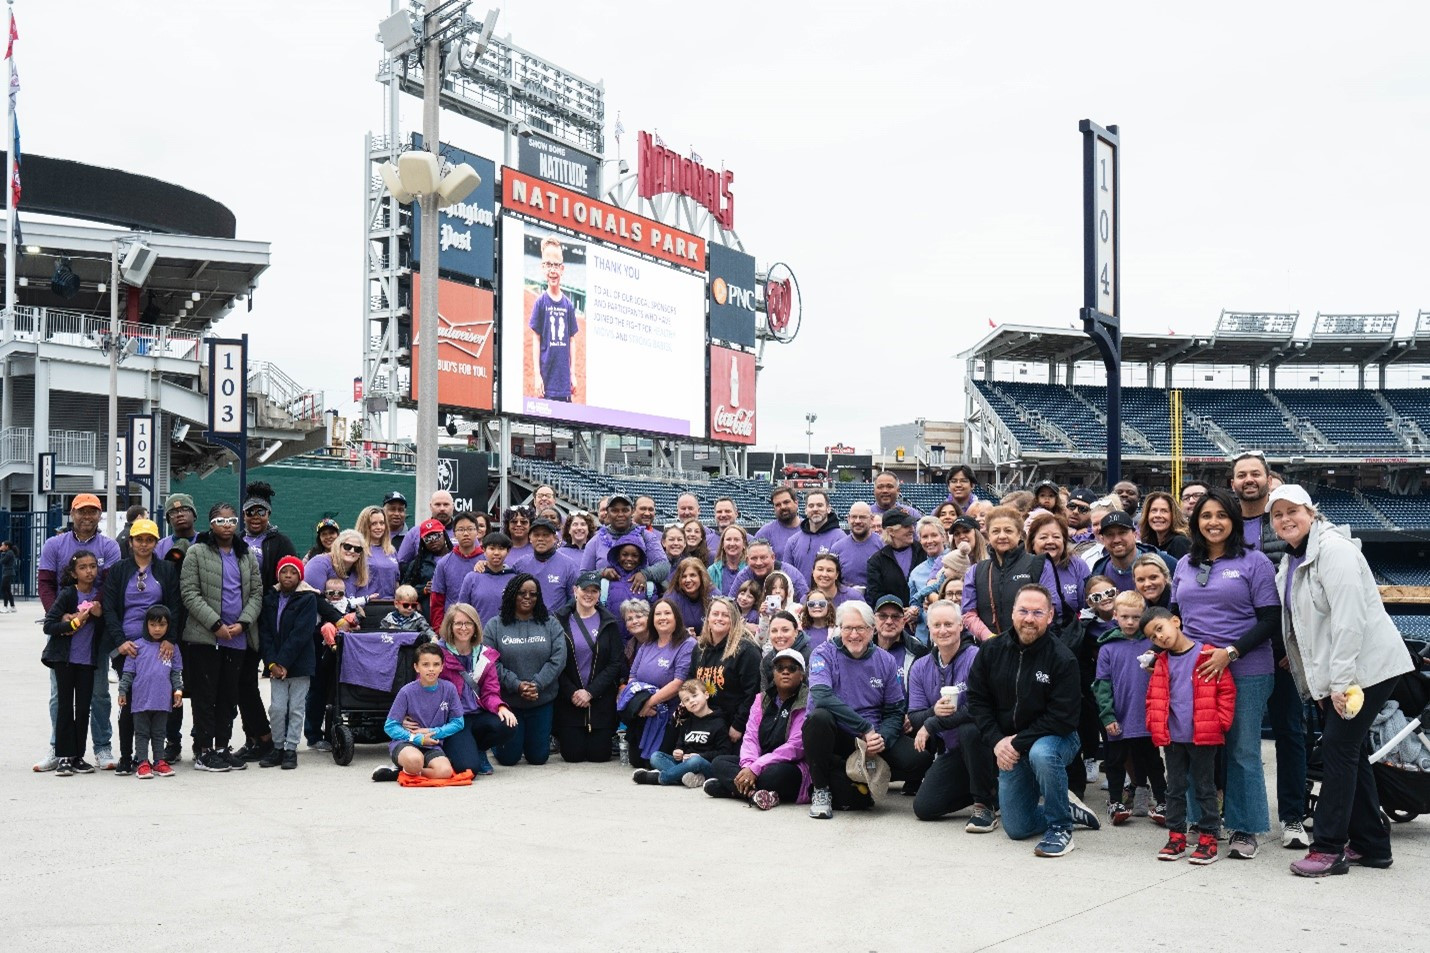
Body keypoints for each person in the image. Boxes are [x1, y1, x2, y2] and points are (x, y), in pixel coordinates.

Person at [1269, 484, 1415, 876]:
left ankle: (1330, 847)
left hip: (1364, 669)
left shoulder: (1335, 551)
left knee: (1338, 749)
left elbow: (1349, 623)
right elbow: (1304, 626)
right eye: (1277, 514)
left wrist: (1339, 683)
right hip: (1343, 671)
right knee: (1348, 751)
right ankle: (1372, 846)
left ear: (1310, 512)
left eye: (1292, 511)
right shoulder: (1293, 559)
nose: (1285, 519)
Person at [1169, 487, 1281, 860]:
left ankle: (1244, 827)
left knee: (1242, 751)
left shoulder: (1254, 562)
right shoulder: (1185, 564)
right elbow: (1176, 617)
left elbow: (1270, 618)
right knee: (1192, 746)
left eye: (1221, 515)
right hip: (1195, 669)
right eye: (1205, 516)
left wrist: (1230, 652)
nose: (1213, 522)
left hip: (1245, 668)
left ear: (1233, 520)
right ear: (1195, 522)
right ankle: (1200, 822)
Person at [965, 585, 1100, 857]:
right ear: (1012, 613)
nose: (1029, 618)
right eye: (1023, 611)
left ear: (1050, 616)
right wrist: (997, 742)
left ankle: (1061, 828)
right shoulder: (991, 651)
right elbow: (977, 701)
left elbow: (1063, 718)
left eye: (1038, 612)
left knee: (1041, 753)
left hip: (1056, 739)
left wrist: (1016, 742)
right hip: (1009, 743)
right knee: (1016, 828)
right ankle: (1066, 808)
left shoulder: (1062, 658)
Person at [1231, 451, 1307, 849]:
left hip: (1284, 652)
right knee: (1238, 737)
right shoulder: (1226, 528)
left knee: (1290, 732)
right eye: (1241, 474)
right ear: (1233, 483)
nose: (1248, 480)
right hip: (1239, 651)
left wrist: (1292, 645)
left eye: (1254, 474)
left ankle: (1293, 817)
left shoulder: (1286, 523)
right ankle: (1237, 813)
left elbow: (1301, 592)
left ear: (1267, 478)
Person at [803, 600, 925, 818]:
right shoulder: (823, 653)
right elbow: (821, 696)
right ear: (839, 629)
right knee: (818, 718)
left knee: (919, 759)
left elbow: (895, 709)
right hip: (838, 734)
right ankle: (821, 788)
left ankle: (862, 772)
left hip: (872, 736)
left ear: (872, 630)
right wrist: (864, 729)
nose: (854, 634)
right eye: (848, 628)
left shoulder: (884, 660)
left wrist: (880, 740)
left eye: (860, 628)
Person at [34, 493, 123, 773]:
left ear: (100, 515)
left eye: (93, 512)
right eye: (81, 511)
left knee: (97, 692)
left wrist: (94, 608)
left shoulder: (109, 547)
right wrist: (60, 614)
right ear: (72, 513)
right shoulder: (54, 544)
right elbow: (46, 584)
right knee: (59, 694)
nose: (87, 517)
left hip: (95, 631)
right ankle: (58, 746)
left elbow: (109, 585)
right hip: (63, 628)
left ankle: (101, 746)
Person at [1144, 607, 1237, 865]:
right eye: (1153, 636)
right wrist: (1155, 724)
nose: (1159, 637)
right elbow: (1153, 697)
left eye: (1160, 628)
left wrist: (1220, 723)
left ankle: (1208, 838)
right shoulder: (1161, 662)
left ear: (1176, 621)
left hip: (1204, 736)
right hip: (1173, 739)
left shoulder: (1207, 654)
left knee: (1205, 787)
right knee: (1174, 789)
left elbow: (1226, 691)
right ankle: (1176, 837)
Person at [180, 503, 264, 773]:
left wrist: (242, 623)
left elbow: (256, 594)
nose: (227, 525)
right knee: (206, 695)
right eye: (220, 520)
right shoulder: (196, 552)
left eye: (231, 520)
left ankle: (221, 748)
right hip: (206, 638)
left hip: (238, 639)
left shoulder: (246, 555)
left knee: (229, 696)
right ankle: (203, 751)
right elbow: (189, 593)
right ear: (211, 523)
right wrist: (215, 624)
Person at [101, 518, 183, 775]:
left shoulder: (167, 570)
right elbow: (110, 609)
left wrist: (169, 638)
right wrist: (120, 641)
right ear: (131, 541)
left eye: (149, 540)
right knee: (130, 702)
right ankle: (128, 756)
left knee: (165, 696)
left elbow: (177, 606)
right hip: (128, 647)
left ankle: (164, 752)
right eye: (139, 539)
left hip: (160, 647)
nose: (144, 544)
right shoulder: (119, 570)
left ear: (156, 543)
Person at [910, 600, 998, 832]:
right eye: (936, 625)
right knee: (924, 807)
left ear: (961, 626)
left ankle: (984, 805)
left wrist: (934, 722)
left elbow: (983, 709)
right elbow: (915, 717)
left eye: (949, 624)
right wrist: (933, 713)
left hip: (988, 748)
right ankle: (994, 792)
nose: (943, 630)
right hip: (954, 752)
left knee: (970, 729)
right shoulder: (920, 667)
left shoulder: (976, 657)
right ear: (928, 629)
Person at [703, 647, 811, 809]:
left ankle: (731, 789)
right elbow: (750, 737)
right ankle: (754, 795)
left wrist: (756, 768)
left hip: (790, 766)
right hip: (759, 761)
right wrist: (748, 766)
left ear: (801, 675)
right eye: (780, 668)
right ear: (773, 673)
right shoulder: (761, 699)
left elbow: (795, 747)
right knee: (720, 762)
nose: (785, 672)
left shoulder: (807, 701)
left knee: (773, 777)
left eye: (792, 668)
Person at [1093, 590, 1166, 826]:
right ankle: (1115, 802)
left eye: (1136, 617)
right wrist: (1107, 715)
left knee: (1152, 760)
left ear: (1143, 616)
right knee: (1115, 761)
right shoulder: (1107, 648)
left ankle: (1163, 801)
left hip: (1147, 717)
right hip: (1119, 717)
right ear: (1115, 615)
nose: (1131, 622)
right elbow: (1102, 685)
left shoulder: (1154, 645)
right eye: (1125, 617)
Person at [237, 483, 299, 762]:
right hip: (242, 619)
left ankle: (277, 740)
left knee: (277, 682)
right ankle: (257, 737)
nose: (255, 516)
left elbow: (292, 578)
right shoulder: (236, 542)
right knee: (242, 681)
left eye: (260, 511)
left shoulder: (281, 541)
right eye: (250, 511)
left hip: (272, 620)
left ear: (268, 513)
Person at [486, 574, 568, 767]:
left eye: (533, 594)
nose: (527, 597)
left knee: (538, 758)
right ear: (512, 594)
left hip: (541, 700)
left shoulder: (550, 623)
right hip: (509, 702)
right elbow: (490, 662)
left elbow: (558, 658)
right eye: (522, 593)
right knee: (509, 759)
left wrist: (537, 684)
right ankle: (495, 743)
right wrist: (516, 684)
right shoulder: (495, 625)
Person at [41, 551, 106, 776]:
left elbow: (106, 628)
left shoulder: (99, 597)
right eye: (83, 567)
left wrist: (100, 615)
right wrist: (72, 623)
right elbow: (48, 626)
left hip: (87, 662)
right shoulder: (68, 595)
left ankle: (78, 756)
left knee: (84, 709)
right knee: (65, 707)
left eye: (93, 566)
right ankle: (64, 757)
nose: (89, 571)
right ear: (73, 572)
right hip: (65, 661)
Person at [434, 602, 517, 776]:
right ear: (450, 626)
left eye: (468, 623)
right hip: (453, 720)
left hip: (478, 715)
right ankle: (457, 749)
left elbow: (490, 692)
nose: (463, 628)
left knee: (507, 725)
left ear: (475, 626)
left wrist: (500, 706)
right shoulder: (437, 653)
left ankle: (479, 749)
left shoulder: (484, 654)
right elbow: (423, 687)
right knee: (468, 768)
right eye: (458, 623)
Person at [961, 506, 1060, 642]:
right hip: (990, 649)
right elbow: (968, 612)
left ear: (1019, 533)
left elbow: (1051, 607)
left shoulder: (1039, 564)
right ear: (988, 535)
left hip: (1033, 648)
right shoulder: (976, 571)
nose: (1002, 536)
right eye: (995, 531)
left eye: (1008, 530)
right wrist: (989, 638)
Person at [553, 572, 624, 764]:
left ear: (599, 594)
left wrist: (591, 692)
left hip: (600, 701)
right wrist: (573, 692)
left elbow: (615, 662)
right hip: (570, 700)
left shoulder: (609, 622)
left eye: (594, 591)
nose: (589, 594)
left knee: (599, 756)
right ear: (575, 591)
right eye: (585, 590)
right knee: (572, 756)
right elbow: (554, 662)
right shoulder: (560, 621)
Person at [256, 555, 317, 770]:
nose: (288, 576)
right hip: (276, 668)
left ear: (300, 576)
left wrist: (283, 661)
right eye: (284, 572)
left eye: (293, 572)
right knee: (277, 708)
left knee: (297, 708)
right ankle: (277, 747)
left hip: (300, 665)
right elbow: (265, 634)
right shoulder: (269, 599)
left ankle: (291, 749)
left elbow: (301, 633)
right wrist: (272, 663)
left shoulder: (308, 599)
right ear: (278, 575)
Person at [372, 642, 464, 783]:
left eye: (436, 664)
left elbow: (458, 722)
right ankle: (410, 767)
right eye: (425, 664)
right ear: (416, 667)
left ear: (442, 667)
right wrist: (416, 738)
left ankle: (401, 773)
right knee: (415, 760)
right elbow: (390, 726)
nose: (431, 669)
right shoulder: (406, 692)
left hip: (432, 744)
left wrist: (434, 732)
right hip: (406, 742)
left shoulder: (449, 689)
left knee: (445, 771)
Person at [117, 605, 184, 779]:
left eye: (162, 625)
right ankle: (142, 762)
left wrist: (178, 691)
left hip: (162, 701)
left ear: (168, 626)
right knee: (141, 733)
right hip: (140, 701)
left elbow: (176, 673)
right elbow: (128, 674)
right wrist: (122, 691)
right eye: (153, 624)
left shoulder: (172, 648)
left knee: (159, 732)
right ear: (146, 624)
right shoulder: (136, 647)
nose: (157, 629)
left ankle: (159, 761)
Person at [688, 596, 762, 745]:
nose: (719, 618)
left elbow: (753, 693)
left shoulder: (746, 650)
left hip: (733, 725)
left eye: (725, 615)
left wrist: (738, 725)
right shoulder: (700, 648)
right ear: (708, 618)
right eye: (715, 614)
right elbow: (691, 683)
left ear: (733, 620)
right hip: (705, 721)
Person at [632, 679, 733, 786]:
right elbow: (680, 744)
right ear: (684, 704)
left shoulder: (719, 723)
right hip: (685, 763)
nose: (692, 701)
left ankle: (660, 778)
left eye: (695, 696)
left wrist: (699, 755)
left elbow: (724, 752)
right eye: (687, 700)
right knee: (655, 756)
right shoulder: (687, 723)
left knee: (695, 761)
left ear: (706, 695)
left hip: (705, 765)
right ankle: (687, 778)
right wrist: (678, 751)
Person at [528, 234, 580, 401]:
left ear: (562, 269)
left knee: (565, 425)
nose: (552, 270)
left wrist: (572, 374)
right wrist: (537, 375)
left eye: (556, 265)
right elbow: (536, 338)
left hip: (563, 383)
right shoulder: (540, 303)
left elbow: (572, 340)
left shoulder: (568, 306)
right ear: (543, 267)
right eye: (548, 265)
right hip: (546, 380)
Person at [1027, 511, 1089, 630]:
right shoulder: (1024, 566)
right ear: (1032, 543)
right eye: (1043, 537)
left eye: (1056, 537)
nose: (1050, 541)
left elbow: (1086, 607)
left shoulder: (1078, 565)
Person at [581, 492, 666, 572]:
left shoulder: (647, 537)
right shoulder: (596, 540)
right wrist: (601, 574)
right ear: (607, 512)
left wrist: (645, 574)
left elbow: (663, 566)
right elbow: (584, 575)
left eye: (625, 510)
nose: (620, 514)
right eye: (615, 511)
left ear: (632, 512)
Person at [429, 512, 487, 627]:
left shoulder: (487, 560)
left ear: (477, 532)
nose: (466, 533)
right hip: (453, 625)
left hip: (482, 624)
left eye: (470, 529)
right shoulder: (443, 563)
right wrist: (439, 628)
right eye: (460, 530)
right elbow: (437, 601)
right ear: (454, 534)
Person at [1088, 511, 1168, 593]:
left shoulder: (1164, 563)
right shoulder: (1098, 572)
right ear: (1103, 540)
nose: (1117, 540)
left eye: (1122, 532)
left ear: (1135, 535)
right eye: (1109, 534)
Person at [511, 517, 579, 613]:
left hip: (557, 624)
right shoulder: (520, 565)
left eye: (545, 535)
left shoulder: (569, 565)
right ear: (530, 538)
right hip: (526, 623)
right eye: (536, 535)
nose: (540, 539)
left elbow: (574, 601)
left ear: (555, 538)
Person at [455, 529, 519, 628]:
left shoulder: (514, 579)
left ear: (508, 551)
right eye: (492, 548)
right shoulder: (472, 578)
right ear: (484, 550)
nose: (496, 553)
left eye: (501, 548)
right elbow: (462, 610)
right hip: (479, 635)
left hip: (508, 635)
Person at [864, 508, 924, 610]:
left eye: (912, 525)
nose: (912, 529)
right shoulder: (876, 561)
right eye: (906, 526)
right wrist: (900, 610)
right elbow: (876, 596)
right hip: (893, 619)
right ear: (891, 531)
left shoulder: (924, 552)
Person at [782, 489, 845, 585]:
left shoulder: (840, 538)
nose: (815, 509)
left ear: (828, 509)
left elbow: (843, 575)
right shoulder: (793, 541)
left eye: (820, 505)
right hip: (801, 598)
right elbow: (787, 577)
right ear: (806, 510)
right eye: (811, 506)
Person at [303, 529, 378, 605]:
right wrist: (337, 617)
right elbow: (312, 598)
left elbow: (360, 605)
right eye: (347, 546)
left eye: (357, 549)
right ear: (338, 546)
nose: (352, 551)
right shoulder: (319, 563)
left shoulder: (360, 573)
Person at [872, 594, 929, 689]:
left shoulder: (918, 650)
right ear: (874, 620)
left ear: (904, 621)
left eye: (895, 617)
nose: (889, 622)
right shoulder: (863, 648)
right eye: (883, 616)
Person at [908, 516, 950, 641]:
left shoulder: (956, 562)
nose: (929, 540)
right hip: (925, 637)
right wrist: (914, 613)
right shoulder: (916, 573)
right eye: (925, 537)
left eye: (934, 535)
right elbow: (915, 604)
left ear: (943, 537)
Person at [401, 519, 451, 619]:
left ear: (444, 535)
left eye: (436, 536)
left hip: (452, 612)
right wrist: (423, 589)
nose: (433, 540)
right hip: (427, 615)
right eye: (427, 538)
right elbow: (403, 591)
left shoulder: (456, 558)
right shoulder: (418, 563)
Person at [732, 538, 809, 603]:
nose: (758, 563)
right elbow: (731, 604)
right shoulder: (743, 576)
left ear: (773, 557)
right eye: (754, 558)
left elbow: (805, 601)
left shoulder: (791, 574)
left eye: (763, 557)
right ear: (747, 560)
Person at [395, 490, 456, 567]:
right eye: (437, 504)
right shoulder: (415, 532)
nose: (442, 508)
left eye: (446, 504)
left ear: (453, 506)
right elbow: (401, 564)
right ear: (430, 506)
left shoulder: (462, 531)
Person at [830, 502, 882, 591]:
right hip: (846, 603)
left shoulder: (883, 546)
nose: (857, 521)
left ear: (871, 519)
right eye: (854, 517)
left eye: (862, 517)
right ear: (848, 519)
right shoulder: (837, 549)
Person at [355, 504, 399, 597]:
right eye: (373, 523)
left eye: (382, 523)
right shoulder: (357, 549)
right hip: (369, 605)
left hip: (390, 604)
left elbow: (396, 581)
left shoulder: (391, 551)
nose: (379, 527)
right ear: (364, 526)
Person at [1139, 491, 1191, 560]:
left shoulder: (1180, 542)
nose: (1158, 515)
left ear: (1174, 515)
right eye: (1154, 510)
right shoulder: (1148, 542)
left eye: (1164, 511)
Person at [666, 556, 711, 634]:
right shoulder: (671, 597)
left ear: (701, 577)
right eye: (683, 576)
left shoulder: (712, 594)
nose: (687, 580)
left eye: (692, 575)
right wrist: (683, 634)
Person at [755, 486, 802, 558]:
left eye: (786, 502)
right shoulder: (765, 533)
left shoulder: (810, 529)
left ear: (796, 503)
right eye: (778, 505)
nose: (782, 507)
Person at [155, 493, 199, 561]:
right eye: (173, 512)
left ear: (194, 515)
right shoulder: (159, 548)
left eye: (185, 509)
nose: (179, 514)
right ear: (168, 520)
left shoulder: (206, 543)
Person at [707, 525, 747, 597]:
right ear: (722, 544)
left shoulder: (750, 570)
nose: (732, 543)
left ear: (744, 544)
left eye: (736, 539)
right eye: (728, 539)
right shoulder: (712, 571)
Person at [0, 540, 16, 612]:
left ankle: (5, 606)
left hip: (7, 573)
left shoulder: (9, 553)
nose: (1, 546)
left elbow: (2, 561)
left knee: (3, 589)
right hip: (7, 573)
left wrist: (2, 552)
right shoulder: (9, 552)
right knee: (8, 590)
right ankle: (12, 607)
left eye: (3, 545)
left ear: (7, 546)